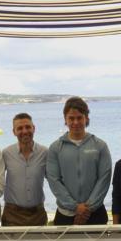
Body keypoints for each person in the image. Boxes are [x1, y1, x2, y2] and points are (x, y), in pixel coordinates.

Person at [47, 96, 112, 225]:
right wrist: (75, 207)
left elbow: (104, 178)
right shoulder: (55, 148)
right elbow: (54, 180)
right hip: (65, 214)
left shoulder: (100, 146)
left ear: (86, 118)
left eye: (79, 118)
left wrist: (87, 208)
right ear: (65, 119)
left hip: (95, 213)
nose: (75, 122)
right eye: (71, 118)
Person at [1, 113, 48, 226]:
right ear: (14, 132)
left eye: (28, 127)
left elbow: (54, 179)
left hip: (38, 214)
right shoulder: (6, 153)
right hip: (12, 215)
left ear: (34, 128)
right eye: (20, 128)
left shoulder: (45, 153)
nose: (25, 131)